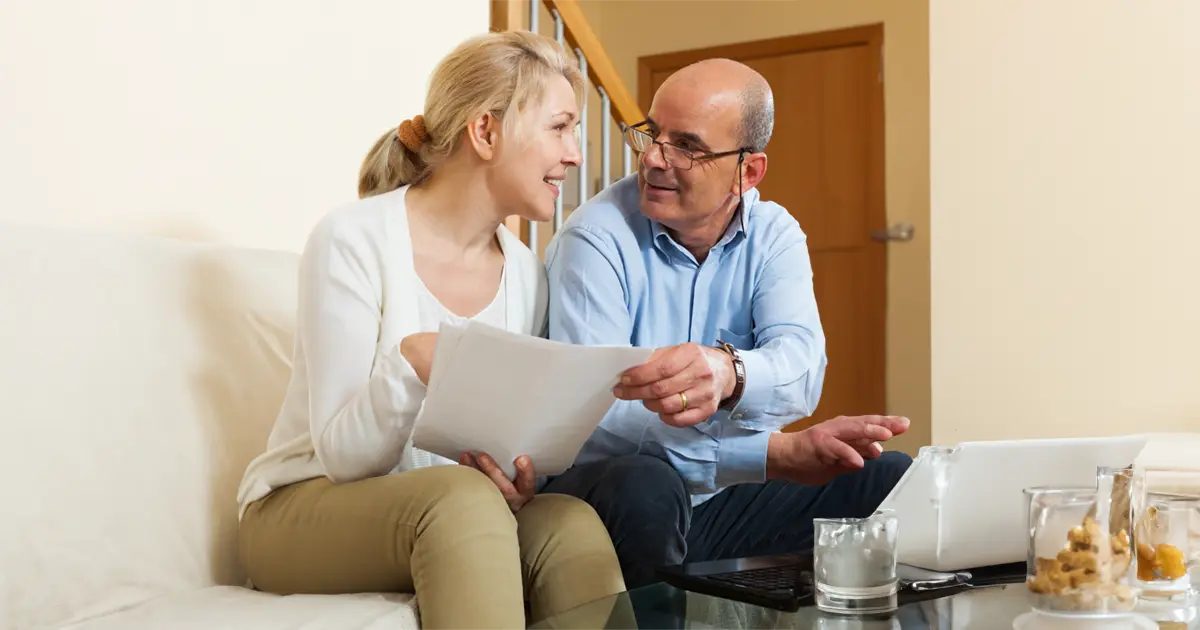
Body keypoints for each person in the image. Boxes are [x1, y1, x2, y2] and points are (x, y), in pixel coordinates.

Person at [235, 32, 625, 629]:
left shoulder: (526, 274)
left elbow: (487, 448)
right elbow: (341, 458)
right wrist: (413, 362)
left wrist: (514, 478)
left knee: (567, 521)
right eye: (559, 127)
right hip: (298, 510)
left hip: (444, 507)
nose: (574, 154)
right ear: (486, 132)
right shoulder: (353, 240)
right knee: (461, 503)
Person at [541, 58, 913, 588]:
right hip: (613, 491)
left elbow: (804, 371)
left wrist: (730, 372)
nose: (653, 159)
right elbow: (599, 418)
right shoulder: (595, 238)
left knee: (891, 479)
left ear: (748, 171)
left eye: (686, 147)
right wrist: (773, 454)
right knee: (645, 484)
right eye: (651, 134)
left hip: (720, 500)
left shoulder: (774, 233)